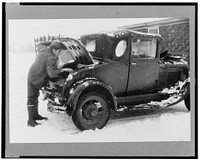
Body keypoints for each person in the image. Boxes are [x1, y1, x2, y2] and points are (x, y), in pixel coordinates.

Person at [27, 40, 70, 127]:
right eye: (59, 51)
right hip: (34, 78)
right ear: (54, 49)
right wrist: (62, 70)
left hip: (33, 74)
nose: (59, 53)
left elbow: (39, 44)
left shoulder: (43, 49)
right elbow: (52, 73)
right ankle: (30, 121)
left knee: (35, 97)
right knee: (32, 98)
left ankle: (35, 115)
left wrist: (51, 41)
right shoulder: (50, 57)